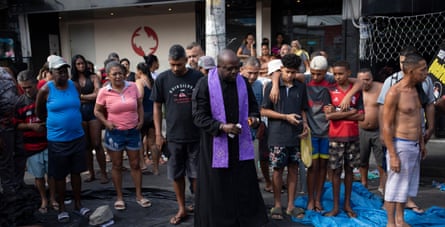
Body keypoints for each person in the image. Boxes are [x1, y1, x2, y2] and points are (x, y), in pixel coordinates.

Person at [192, 49, 268, 227]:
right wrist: (221, 127)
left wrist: (254, 119)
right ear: (218, 67)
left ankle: (244, 219)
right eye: (229, 69)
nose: (234, 72)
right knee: (218, 188)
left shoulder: (242, 83)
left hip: (240, 146)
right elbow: (198, 116)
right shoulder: (204, 84)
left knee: (243, 185)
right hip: (215, 145)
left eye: (236, 68)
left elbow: (253, 108)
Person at [377, 46, 435, 213]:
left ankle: (400, 219)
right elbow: (387, 125)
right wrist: (393, 154)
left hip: (414, 144)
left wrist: (422, 143)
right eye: (422, 70)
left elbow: (417, 119)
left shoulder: (417, 89)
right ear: (410, 71)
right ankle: (390, 222)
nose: (426, 72)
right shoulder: (394, 91)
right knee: (394, 187)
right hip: (399, 144)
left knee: (406, 187)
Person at [150, 44, 203, 225]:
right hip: (173, 137)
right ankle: (181, 208)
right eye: (172, 64)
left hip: (196, 136)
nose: (175, 68)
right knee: (176, 174)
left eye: (179, 65)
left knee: (196, 174)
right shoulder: (162, 79)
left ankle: (199, 206)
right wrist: (158, 133)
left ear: (186, 61)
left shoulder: (197, 77)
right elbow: (157, 106)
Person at [35, 55, 90, 223]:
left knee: (76, 173)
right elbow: (40, 112)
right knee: (59, 176)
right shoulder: (46, 90)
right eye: (59, 71)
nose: (63, 73)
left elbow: (77, 106)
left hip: (77, 137)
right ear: (51, 72)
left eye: (65, 70)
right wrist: (54, 123)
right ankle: (62, 207)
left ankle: (78, 205)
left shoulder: (74, 86)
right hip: (57, 140)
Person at [94, 61, 151, 211]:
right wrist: (106, 123)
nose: (118, 76)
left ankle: (139, 195)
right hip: (115, 133)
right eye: (114, 74)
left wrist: (141, 120)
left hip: (133, 131)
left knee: (135, 164)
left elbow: (139, 104)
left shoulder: (132, 86)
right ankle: (119, 197)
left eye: (120, 73)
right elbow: (97, 111)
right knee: (117, 165)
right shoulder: (103, 91)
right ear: (108, 76)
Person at [261, 54, 309, 220]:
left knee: (294, 169)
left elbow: (304, 109)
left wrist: (305, 125)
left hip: (295, 136)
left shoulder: (300, 87)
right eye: (288, 71)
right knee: (277, 170)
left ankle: (290, 205)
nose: (290, 75)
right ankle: (276, 205)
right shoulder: (271, 86)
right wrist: (284, 117)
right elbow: (263, 111)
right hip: (277, 136)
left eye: (293, 72)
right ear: (281, 69)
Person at [323, 61, 364, 218]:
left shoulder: (356, 93)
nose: (337, 77)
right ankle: (335, 207)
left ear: (348, 73)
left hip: (353, 136)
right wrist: (349, 113)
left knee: (349, 171)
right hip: (335, 137)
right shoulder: (330, 91)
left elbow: (362, 115)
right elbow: (328, 116)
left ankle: (347, 204)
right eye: (335, 74)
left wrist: (338, 112)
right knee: (334, 172)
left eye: (340, 73)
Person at [14, 70, 58, 214]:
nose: (27, 90)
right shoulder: (19, 103)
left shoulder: (46, 96)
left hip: (49, 141)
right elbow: (16, 125)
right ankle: (43, 199)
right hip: (31, 146)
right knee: (38, 176)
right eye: (23, 87)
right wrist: (30, 126)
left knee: (51, 173)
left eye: (29, 87)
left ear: (35, 83)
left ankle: (52, 198)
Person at [71, 54, 109, 184]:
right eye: (78, 64)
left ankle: (103, 173)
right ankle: (91, 173)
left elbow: (98, 94)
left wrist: (81, 96)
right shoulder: (72, 80)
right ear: (74, 66)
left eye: (82, 63)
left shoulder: (93, 77)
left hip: (93, 111)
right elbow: (73, 97)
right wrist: (87, 96)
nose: (81, 66)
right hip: (79, 113)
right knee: (86, 146)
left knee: (97, 143)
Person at [240, 56, 272, 193]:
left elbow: (260, 108)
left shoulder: (259, 85)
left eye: (256, 73)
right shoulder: (236, 84)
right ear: (242, 70)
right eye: (250, 72)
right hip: (239, 132)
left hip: (254, 131)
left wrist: (260, 124)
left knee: (255, 162)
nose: (253, 76)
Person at [356, 68, 385, 192]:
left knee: (381, 160)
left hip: (378, 129)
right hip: (360, 129)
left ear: (372, 79)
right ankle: (364, 183)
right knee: (362, 159)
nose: (365, 83)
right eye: (362, 80)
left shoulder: (381, 88)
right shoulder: (354, 90)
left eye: (367, 80)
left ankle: (383, 185)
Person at [134, 62, 158, 174]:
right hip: (153, 115)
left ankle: (142, 164)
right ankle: (156, 168)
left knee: (139, 140)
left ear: (139, 71)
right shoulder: (152, 82)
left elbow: (140, 98)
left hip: (144, 114)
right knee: (152, 143)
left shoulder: (139, 82)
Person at [0, 66, 20, 195]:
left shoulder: (5, 70)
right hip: (2, 125)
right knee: (5, 158)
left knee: (16, 155)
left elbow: (17, 90)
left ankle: (16, 184)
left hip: (14, 121)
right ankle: (8, 188)